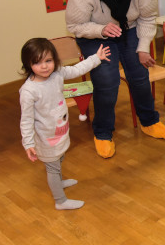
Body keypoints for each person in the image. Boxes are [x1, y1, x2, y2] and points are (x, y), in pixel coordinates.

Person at [66, 0, 165, 159]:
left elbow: (148, 16)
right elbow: (74, 26)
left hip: (130, 28)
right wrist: (101, 29)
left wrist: (143, 47)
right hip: (94, 32)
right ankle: (103, 132)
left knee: (139, 74)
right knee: (107, 79)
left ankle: (149, 121)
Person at [19, 38, 110, 210]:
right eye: (37, 62)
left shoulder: (57, 74)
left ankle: (59, 181)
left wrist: (96, 58)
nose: (45, 66)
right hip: (46, 138)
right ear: (28, 64)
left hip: (60, 131)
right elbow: (26, 120)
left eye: (48, 60)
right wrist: (28, 143)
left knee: (60, 157)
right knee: (52, 167)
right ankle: (60, 200)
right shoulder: (29, 91)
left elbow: (77, 69)